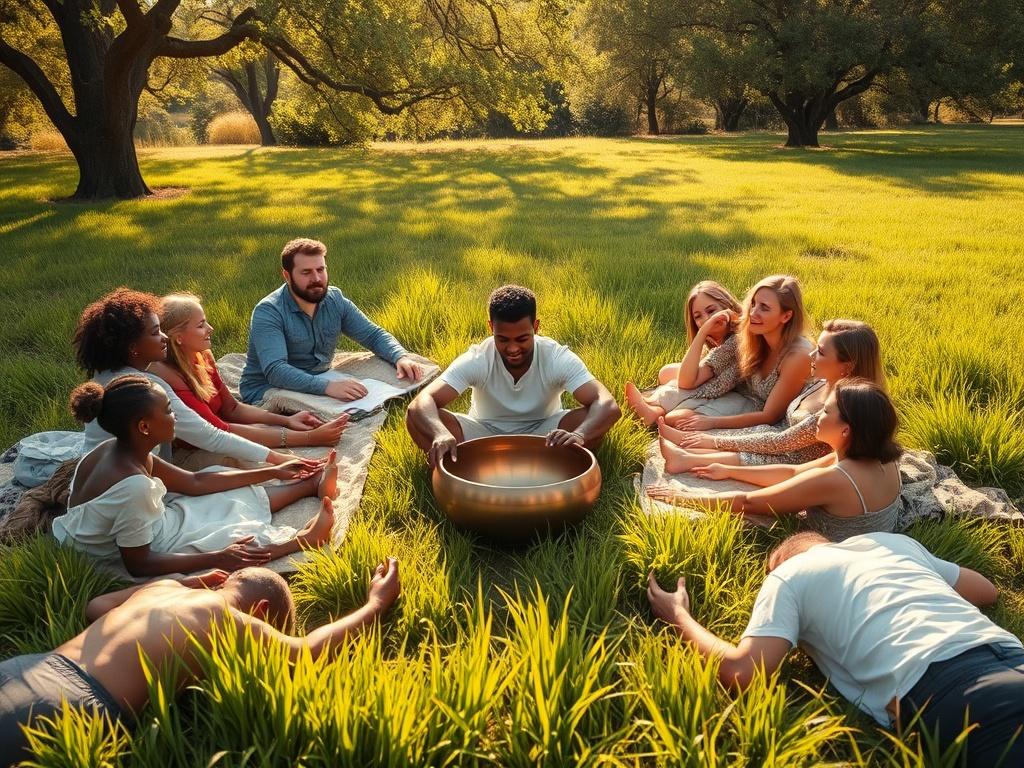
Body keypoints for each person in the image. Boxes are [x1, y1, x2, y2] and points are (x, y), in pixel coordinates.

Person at [646, 531, 1023, 765]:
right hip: (1010, 654)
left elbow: (742, 672)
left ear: (777, 563)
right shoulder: (894, 543)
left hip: (951, 689)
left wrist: (678, 616)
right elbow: (986, 591)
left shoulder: (787, 576)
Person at [0, 559, 400, 766]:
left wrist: (185, 582)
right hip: (70, 708)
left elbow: (95, 606)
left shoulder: (162, 589)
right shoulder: (226, 618)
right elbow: (305, 653)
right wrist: (375, 604)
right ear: (259, 611)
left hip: (29, 666)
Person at [53, 376, 340, 577]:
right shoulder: (133, 486)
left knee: (216, 479)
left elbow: (194, 483)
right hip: (124, 555)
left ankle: (310, 485)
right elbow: (139, 565)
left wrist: (272, 471)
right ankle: (301, 541)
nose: (175, 416)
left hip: (140, 526)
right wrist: (218, 557)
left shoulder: (117, 450)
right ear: (144, 427)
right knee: (228, 535)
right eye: (168, 411)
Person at [648, 379, 903, 541]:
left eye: (825, 412)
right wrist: (728, 470)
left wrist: (682, 497)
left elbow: (749, 503)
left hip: (844, 559)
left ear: (846, 430)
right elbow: (794, 473)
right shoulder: (880, 456)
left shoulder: (837, 478)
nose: (817, 418)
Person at [75, 288, 296, 466]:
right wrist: (278, 457)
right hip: (134, 481)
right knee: (240, 469)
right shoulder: (146, 388)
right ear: (133, 347)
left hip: (120, 472)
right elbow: (210, 435)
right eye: (155, 332)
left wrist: (284, 425)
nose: (165, 337)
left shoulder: (107, 374)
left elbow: (229, 412)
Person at [406, 285, 621, 466]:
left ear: (536, 327)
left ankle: (548, 465)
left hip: (545, 434)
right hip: (483, 435)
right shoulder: (479, 358)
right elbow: (421, 402)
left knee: (590, 419)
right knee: (417, 419)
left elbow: (607, 404)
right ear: (491, 327)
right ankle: (462, 469)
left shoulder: (556, 358)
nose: (512, 349)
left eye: (522, 339)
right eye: (502, 339)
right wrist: (440, 433)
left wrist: (579, 435)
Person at [656, 320, 885, 471]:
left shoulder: (839, 407)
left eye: (822, 352)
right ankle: (687, 447)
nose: (812, 355)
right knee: (737, 436)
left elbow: (780, 443)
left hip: (793, 458)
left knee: (743, 449)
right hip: (777, 435)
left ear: (847, 366)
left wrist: (714, 440)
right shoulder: (822, 381)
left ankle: (687, 459)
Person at [239, 238, 422, 405]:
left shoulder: (335, 300)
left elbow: (373, 335)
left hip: (323, 375)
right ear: (287, 276)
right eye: (306, 272)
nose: (316, 279)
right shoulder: (269, 311)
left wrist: (400, 356)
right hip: (270, 388)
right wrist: (327, 387)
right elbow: (276, 371)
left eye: (320, 270)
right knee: (322, 414)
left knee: (398, 371)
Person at [154, 293, 349, 450]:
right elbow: (219, 431)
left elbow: (232, 408)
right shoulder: (171, 378)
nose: (210, 328)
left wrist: (287, 421)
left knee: (269, 428)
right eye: (201, 325)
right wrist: (308, 438)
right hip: (202, 446)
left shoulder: (202, 356)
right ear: (178, 337)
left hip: (222, 430)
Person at [663, 275, 813, 434]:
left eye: (764, 307)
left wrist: (711, 422)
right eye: (753, 304)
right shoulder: (756, 334)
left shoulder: (798, 356)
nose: (753, 312)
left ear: (786, 316)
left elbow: (770, 416)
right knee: (670, 394)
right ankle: (657, 407)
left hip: (769, 418)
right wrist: (704, 330)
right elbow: (736, 319)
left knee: (680, 420)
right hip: (744, 398)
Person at [625, 281, 750, 426]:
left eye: (711, 311)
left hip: (743, 397)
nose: (706, 319)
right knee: (666, 373)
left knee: (677, 413)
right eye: (698, 316)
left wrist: (702, 332)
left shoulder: (735, 341)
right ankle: (655, 407)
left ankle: (656, 408)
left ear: (726, 307)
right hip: (722, 384)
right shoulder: (715, 339)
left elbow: (687, 382)